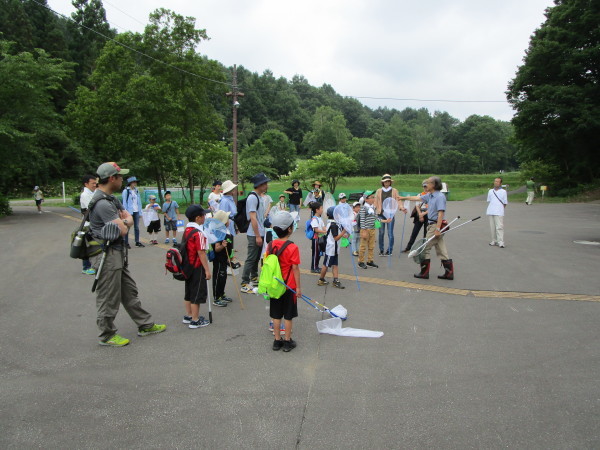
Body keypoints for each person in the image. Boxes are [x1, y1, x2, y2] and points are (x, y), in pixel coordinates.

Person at [89, 162, 166, 346]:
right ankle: (106, 335)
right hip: (106, 255)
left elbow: (128, 217)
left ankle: (144, 324)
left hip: (116, 253)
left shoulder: (111, 199)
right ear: (112, 178)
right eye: (120, 176)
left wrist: (126, 220)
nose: (123, 179)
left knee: (129, 291)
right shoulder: (102, 203)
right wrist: (126, 221)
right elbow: (124, 228)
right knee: (108, 295)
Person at [399, 176, 454, 280]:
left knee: (424, 248)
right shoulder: (430, 195)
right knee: (441, 249)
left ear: (433, 185)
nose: (426, 185)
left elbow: (441, 213)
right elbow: (417, 198)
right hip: (432, 225)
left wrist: (437, 229)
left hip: (435, 225)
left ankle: (424, 273)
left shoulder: (439, 196)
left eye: (428, 183)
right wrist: (403, 198)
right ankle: (449, 272)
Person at [266, 211, 301, 352]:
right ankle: (287, 341)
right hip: (289, 286)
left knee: (275, 314)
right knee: (288, 315)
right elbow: (295, 269)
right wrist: (298, 288)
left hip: (275, 285)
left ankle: (276, 340)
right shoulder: (293, 247)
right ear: (290, 229)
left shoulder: (270, 245)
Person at [182, 205, 212, 328]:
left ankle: (189, 315)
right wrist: (207, 270)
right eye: (204, 215)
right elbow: (201, 252)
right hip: (197, 267)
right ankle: (195, 320)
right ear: (198, 217)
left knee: (188, 292)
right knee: (197, 293)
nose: (205, 217)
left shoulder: (187, 230)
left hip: (187, 266)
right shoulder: (198, 233)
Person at [240, 173, 270, 294]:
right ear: (259, 185)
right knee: (251, 258)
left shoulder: (259, 196)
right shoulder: (253, 197)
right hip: (254, 233)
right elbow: (253, 218)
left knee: (257, 257)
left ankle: (253, 277)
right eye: (265, 184)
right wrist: (257, 235)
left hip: (260, 231)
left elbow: (260, 217)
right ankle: (244, 282)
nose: (267, 186)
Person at [373, 174, 406, 257]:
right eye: (385, 181)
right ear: (383, 182)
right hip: (380, 214)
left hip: (390, 214)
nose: (387, 183)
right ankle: (381, 249)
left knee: (390, 233)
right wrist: (372, 209)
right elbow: (376, 201)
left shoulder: (394, 191)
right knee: (381, 232)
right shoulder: (379, 191)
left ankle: (390, 250)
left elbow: (398, 200)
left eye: (388, 181)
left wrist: (402, 208)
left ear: (390, 182)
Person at [318, 206, 348, 289]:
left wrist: (344, 234)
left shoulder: (335, 223)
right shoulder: (333, 224)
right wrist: (343, 233)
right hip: (331, 248)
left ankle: (336, 280)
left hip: (335, 248)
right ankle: (321, 279)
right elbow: (335, 238)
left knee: (335, 264)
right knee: (326, 264)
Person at [211, 210, 233, 307]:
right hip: (219, 260)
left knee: (223, 277)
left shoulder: (224, 230)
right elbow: (217, 248)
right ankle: (216, 297)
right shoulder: (218, 232)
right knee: (218, 277)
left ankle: (222, 294)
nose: (229, 221)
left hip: (224, 259)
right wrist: (223, 246)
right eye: (227, 219)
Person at [218, 180, 240, 269]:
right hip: (227, 226)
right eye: (232, 188)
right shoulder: (225, 201)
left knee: (231, 245)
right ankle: (227, 264)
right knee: (228, 244)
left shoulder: (230, 199)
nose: (234, 190)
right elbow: (223, 216)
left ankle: (230, 262)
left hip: (231, 224)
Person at [402, 180, 428, 253]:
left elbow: (432, 208)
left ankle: (424, 248)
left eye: (427, 187)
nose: (425, 188)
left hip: (428, 214)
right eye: (424, 187)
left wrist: (424, 213)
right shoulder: (420, 195)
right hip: (420, 214)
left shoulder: (431, 195)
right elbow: (417, 205)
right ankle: (408, 247)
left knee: (426, 233)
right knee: (415, 232)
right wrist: (420, 214)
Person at [80, 174, 98, 275]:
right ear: (86, 184)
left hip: (94, 223)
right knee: (87, 246)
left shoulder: (94, 192)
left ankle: (93, 265)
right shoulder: (85, 195)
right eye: (93, 183)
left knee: (94, 245)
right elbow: (91, 209)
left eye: (96, 183)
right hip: (88, 224)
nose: (95, 185)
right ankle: (86, 267)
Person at [358, 191, 379, 269]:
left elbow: (376, 218)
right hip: (365, 229)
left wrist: (386, 220)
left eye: (374, 197)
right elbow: (362, 220)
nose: (373, 199)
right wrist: (363, 230)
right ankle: (361, 261)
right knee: (363, 246)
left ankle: (370, 261)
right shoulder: (363, 208)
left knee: (371, 246)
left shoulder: (373, 207)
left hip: (372, 229)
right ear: (366, 199)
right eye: (372, 197)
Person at [122, 176, 144, 248]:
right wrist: (125, 212)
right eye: (134, 182)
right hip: (129, 212)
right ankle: (126, 242)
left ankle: (137, 242)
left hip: (136, 211)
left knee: (137, 227)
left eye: (136, 182)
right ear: (130, 183)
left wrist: (140, 212)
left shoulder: (136, 191)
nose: (135, 183)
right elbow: (124, 202)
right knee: (127, 227)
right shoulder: (126, 191)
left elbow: (139, 202)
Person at [487, 177, 507, 248]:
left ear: (500, 183)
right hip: (491, 211)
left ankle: (500, 241)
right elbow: (489, 200)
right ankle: (494, 240)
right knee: (492, 227)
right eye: (495, 181)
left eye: (498, 182)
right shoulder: (490, 191)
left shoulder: (503, 192)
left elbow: (505, 203)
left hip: (499, 212)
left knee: (499, 227)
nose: (496, 183)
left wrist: (500, 209)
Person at [309, 202, 326, 273]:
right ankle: (314, 268)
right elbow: (316, 230)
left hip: (320, 238)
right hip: (316, 239)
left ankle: (316, 266)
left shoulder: (319, 218)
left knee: (319, 253)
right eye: (321, 208)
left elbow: (323, 226)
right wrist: (324, 231)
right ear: (317, 210)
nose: (322, 210)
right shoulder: (314, 219)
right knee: (315, 253)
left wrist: (326, 229)